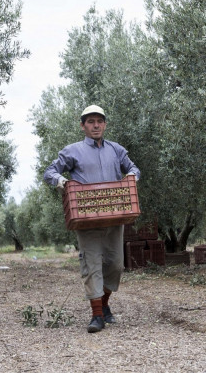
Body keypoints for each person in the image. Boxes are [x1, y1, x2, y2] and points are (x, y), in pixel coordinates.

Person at [43, 105, 140, 333]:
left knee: (115, 265)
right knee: (92, 265)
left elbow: (133, 168)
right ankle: (97, 315)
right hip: (86, 219)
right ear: (83, 126)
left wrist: (132, 176)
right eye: (90, 121)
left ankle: (104, 305)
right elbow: (50, 172)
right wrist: (63, 182)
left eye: (99, 121)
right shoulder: (72, 151)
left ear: (105, 124)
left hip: (115, 217)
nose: (95, 125)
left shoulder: (116, 150)